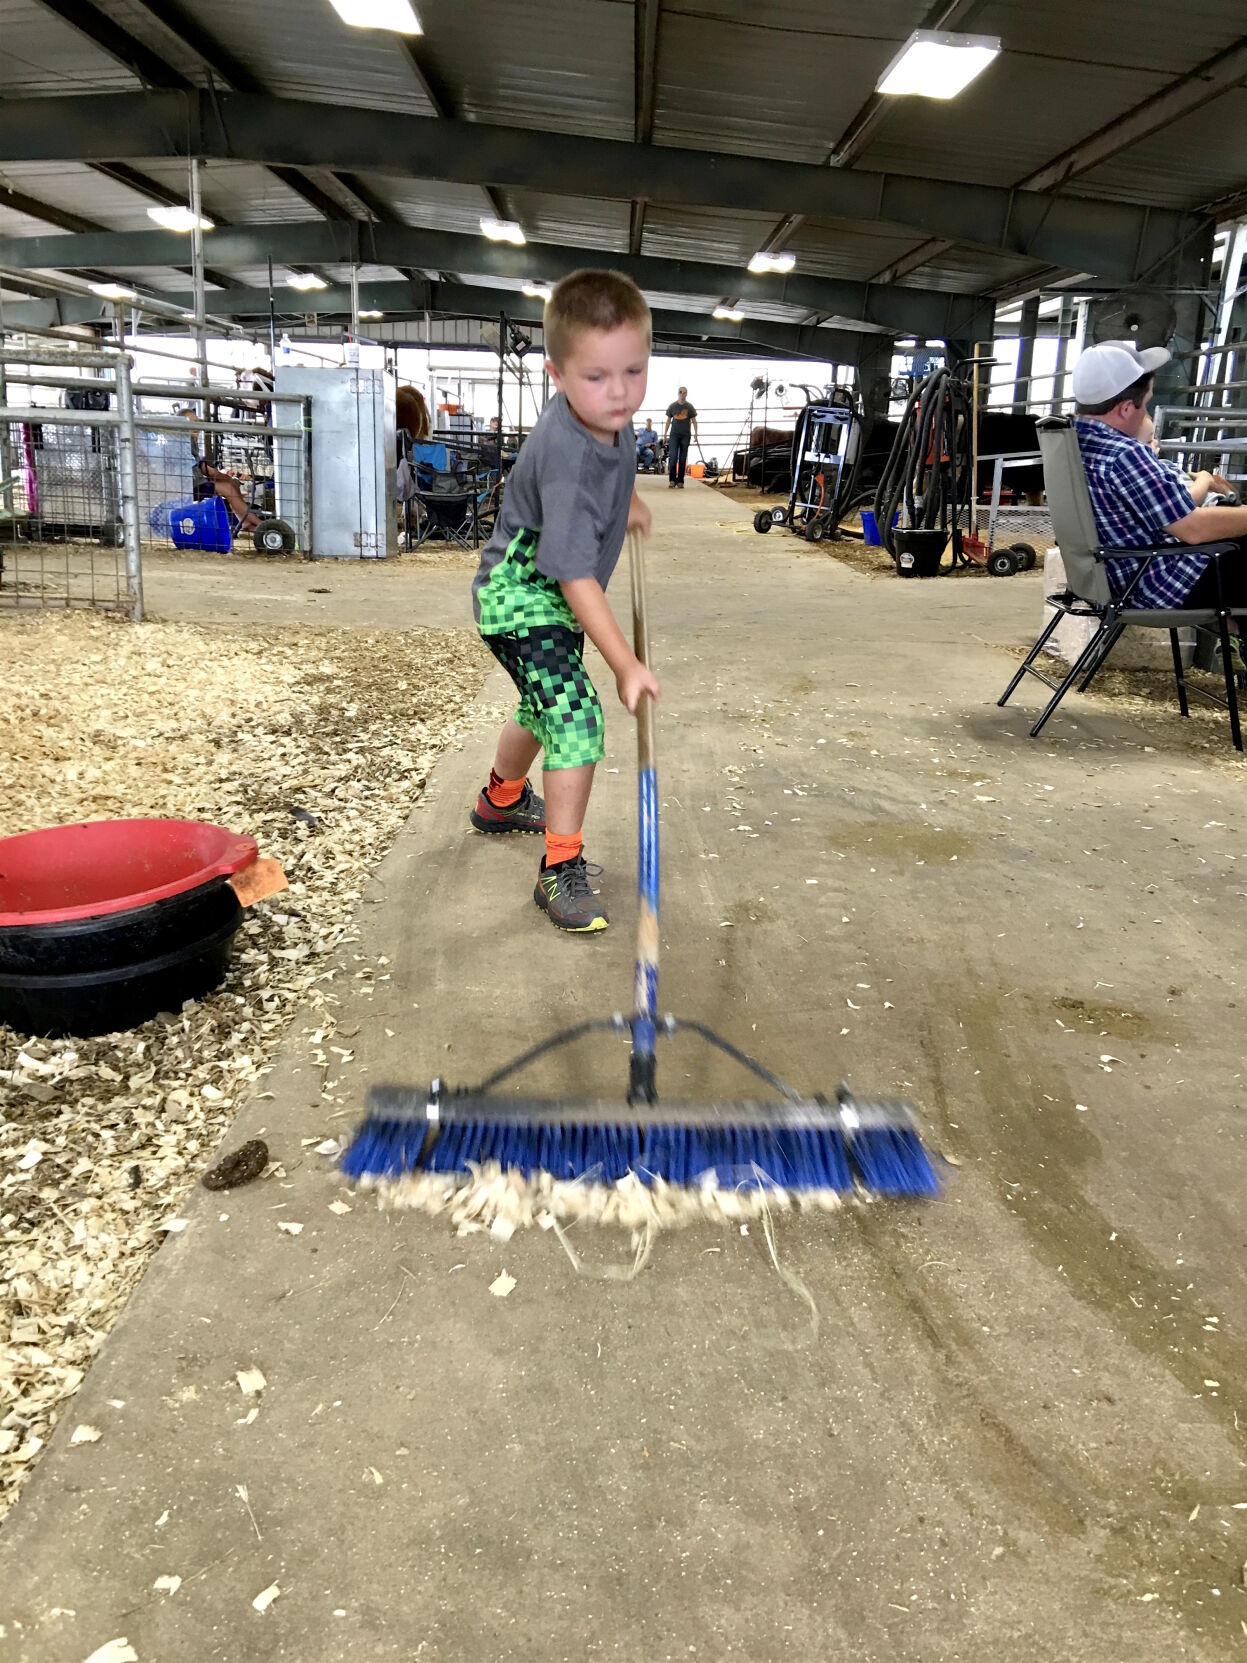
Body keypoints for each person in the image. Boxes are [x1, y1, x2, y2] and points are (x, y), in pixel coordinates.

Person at [468, 269, 657, 934]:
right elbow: (575, 578)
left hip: (542, 592)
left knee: (539, 700)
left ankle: (501, 798)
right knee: (574, 714)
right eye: (598, 378)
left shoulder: (609, 415)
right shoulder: (569, 454)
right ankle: (559, 867)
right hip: (522, 597)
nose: (619, 393)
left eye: (633, 371)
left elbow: (613, 462)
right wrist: (624, 663)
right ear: (556, 375)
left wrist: (622, 499)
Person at [1072, 340, 1247, 617]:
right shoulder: (1123, 453)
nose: (1146, 414)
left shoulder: (1074, 439)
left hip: (1112, 576)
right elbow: (1192, 528)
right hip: (1156, 583)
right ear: (1126, 409)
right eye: (1147, 404)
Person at [663, 386, 697, 488]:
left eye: (684, 392)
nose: (682, 394)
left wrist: (696, 433)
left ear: (686, 394)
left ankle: (680, 481)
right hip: (674, 436)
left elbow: (694, 421)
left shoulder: (690, 407)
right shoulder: (672, 406)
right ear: (678, 393)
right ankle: (672, 480)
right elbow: (668, 420)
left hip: (685, 436)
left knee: (682, 458)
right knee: (673, 458)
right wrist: (665, 434)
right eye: (681, 392)